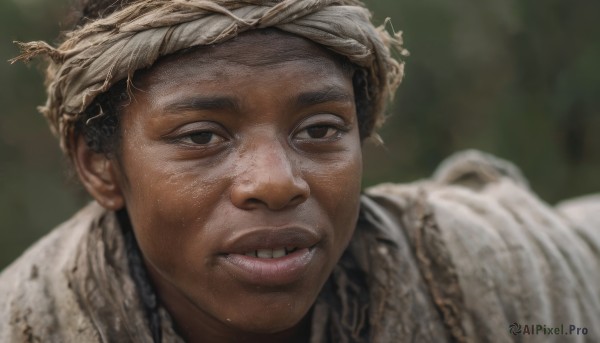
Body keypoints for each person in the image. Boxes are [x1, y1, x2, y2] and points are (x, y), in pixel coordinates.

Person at [1, 0, 599, 342]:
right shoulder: (28, 325)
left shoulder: (490, 279)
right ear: (99, 165)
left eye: (319, 129)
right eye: (202, 136)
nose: (275, 181)